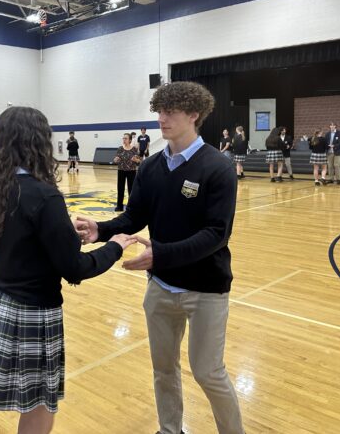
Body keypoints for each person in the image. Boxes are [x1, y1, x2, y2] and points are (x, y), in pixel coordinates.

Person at [75, 81, 245, 434]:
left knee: (208, 373)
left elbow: (216, 234)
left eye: (171, 112)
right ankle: (170, 430)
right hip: (161, 288)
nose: (162, 119)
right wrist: (102, 230)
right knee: (163, 369)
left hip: (206, 289)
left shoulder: (218, 166)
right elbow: (134, 217)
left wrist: (160, 255)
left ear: (194, 114)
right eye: (159, 111)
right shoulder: (151, 167)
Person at [0, 106, 134, 434]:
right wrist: (116, 246)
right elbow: (74, 269)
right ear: (38, 142)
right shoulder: (44, 195)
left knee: (34, 401)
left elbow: (26, 242)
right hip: (33, 310)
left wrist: (64, 233)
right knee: (41, 402)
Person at [113, 133, 141, 212]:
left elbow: (139, 162)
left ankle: (131, 207)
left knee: (131, 190)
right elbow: (116, 159)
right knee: (120, 188)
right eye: (123, 138)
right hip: (121, 170)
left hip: (131, 171)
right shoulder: (120, 148)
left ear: (130, 140)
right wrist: (115, 160)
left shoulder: (134, 149)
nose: (124, 140)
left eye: (125, 138)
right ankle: (119, 206)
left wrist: (136, 160)